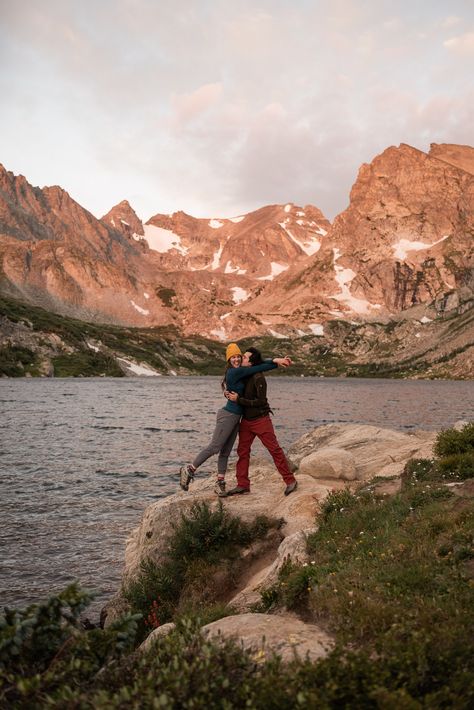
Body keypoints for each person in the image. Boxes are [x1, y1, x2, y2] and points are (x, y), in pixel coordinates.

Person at [179, 343, 291, 495]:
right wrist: (276, 362)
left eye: (240, 356)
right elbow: (258, 367)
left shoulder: (242, 372)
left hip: (237, 417)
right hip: (229, 415)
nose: (237, 359)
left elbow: (257, 366)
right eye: (234, 357)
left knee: (225, 452)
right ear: (228, 359)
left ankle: (220, 483)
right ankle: (190, 469)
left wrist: (276, 361)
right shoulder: (234, 373)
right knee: (215, 447)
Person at [225, 347, 297, 496]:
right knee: (242, 452)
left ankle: (290, 481)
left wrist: (239, 400)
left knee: (274, 450)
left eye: (244, 358)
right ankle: (243, 484)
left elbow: (261, 401)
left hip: (261, 419)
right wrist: (228, 393)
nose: (240, 359)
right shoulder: (243, 374)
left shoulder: (258, 378)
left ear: (251, 363)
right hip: (246, 420)